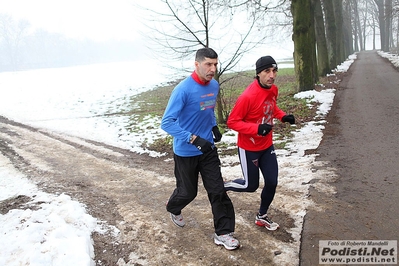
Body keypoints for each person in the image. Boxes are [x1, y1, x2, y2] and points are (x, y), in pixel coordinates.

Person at [161, 47, 239, 250]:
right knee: (188, 192)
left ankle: (223, 232)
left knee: (217, 190)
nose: (213, 69)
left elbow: (208, 109)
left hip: (208, 150)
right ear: (197, 65)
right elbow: (167, 123)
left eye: (215, 64)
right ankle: (173, 207)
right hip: (185, 152)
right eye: (208, 64)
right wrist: (193, 138)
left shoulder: (214, 85)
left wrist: (213, 125)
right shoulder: (183, 90)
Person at [224, 55, 295, 231]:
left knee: (272, 181)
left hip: (266, 146)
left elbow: (271, 107)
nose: (272, 75)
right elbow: (232, 122)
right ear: (258, 74)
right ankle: (221, 186)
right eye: (267, 71)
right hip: (249, 148)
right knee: (250, 185)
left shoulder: (273, 89)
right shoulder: (247, 96)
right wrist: (256, 129)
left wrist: (282, 116)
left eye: (274, 71)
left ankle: (262, 216)